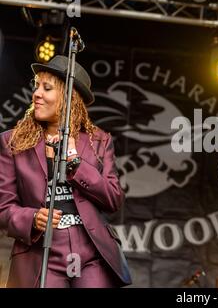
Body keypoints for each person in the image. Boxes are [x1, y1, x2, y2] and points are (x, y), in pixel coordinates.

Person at [0, 55, 131, 288]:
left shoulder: (98, 141)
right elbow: (4, 207)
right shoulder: (12, 142)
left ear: (69, 98)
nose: (37, 93)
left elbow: (113, 199)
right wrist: (31, 218)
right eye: (36, 86)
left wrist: (76, 163)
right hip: (41, 252)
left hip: (91, 252)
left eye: (47, 88)